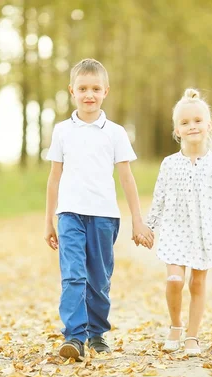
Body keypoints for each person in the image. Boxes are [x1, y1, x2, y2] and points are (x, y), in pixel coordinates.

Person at [44, 58, 154, 361]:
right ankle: (74, 338)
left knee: (99, 280)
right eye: (82, 88)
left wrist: (138, 221)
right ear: (71, 91)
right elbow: (54, 178)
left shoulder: (115, 132)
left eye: (95, 88)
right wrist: (48, 221)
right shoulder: (62, 131)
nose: (88, 94)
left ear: (106, 91)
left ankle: (96, 333)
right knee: (73, 276)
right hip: (69, 214)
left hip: (105, 216)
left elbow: (127, 177)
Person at [143, 88, 212, 356]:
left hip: (204, 233)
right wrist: (149, 226)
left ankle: (192, 337)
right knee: (174, 280)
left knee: (197, 284)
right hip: (174, 231)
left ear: (208, 125)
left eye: (197, 121)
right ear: (176, 130)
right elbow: (158, 197)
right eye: (184, 122)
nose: (191, 126)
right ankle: (176, 325)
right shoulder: (169, 164)